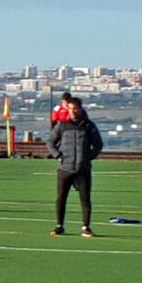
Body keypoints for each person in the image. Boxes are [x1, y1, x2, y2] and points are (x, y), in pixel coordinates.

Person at [49, 94, 103, 237]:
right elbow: (50, 142)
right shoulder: (62, 126)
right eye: (70, 109)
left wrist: (87, 158)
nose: (72, 111)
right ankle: (59, 226)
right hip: (65, 169)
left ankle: (86, 227)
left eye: (75, 109)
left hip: (82, 169)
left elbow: (98, 145)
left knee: (85, 199)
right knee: (61, 198)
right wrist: (59, 156)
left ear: (80, 109)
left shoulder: (89, 126)